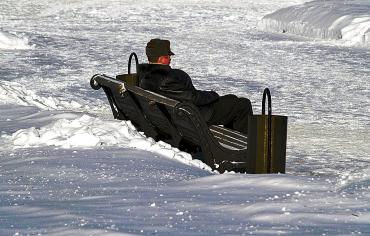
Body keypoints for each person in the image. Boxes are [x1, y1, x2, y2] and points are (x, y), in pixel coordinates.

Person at [139, 38, 253, 134]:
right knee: (242, 104)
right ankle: (244, 148)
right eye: (168, 56)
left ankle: (232, 140)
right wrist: (212, 95)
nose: (170, 59)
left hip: (177, 116)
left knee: (231, 99)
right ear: (162, 58)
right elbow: (194, 98)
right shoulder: (167, 78)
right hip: (192, 117)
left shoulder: (145, 77)